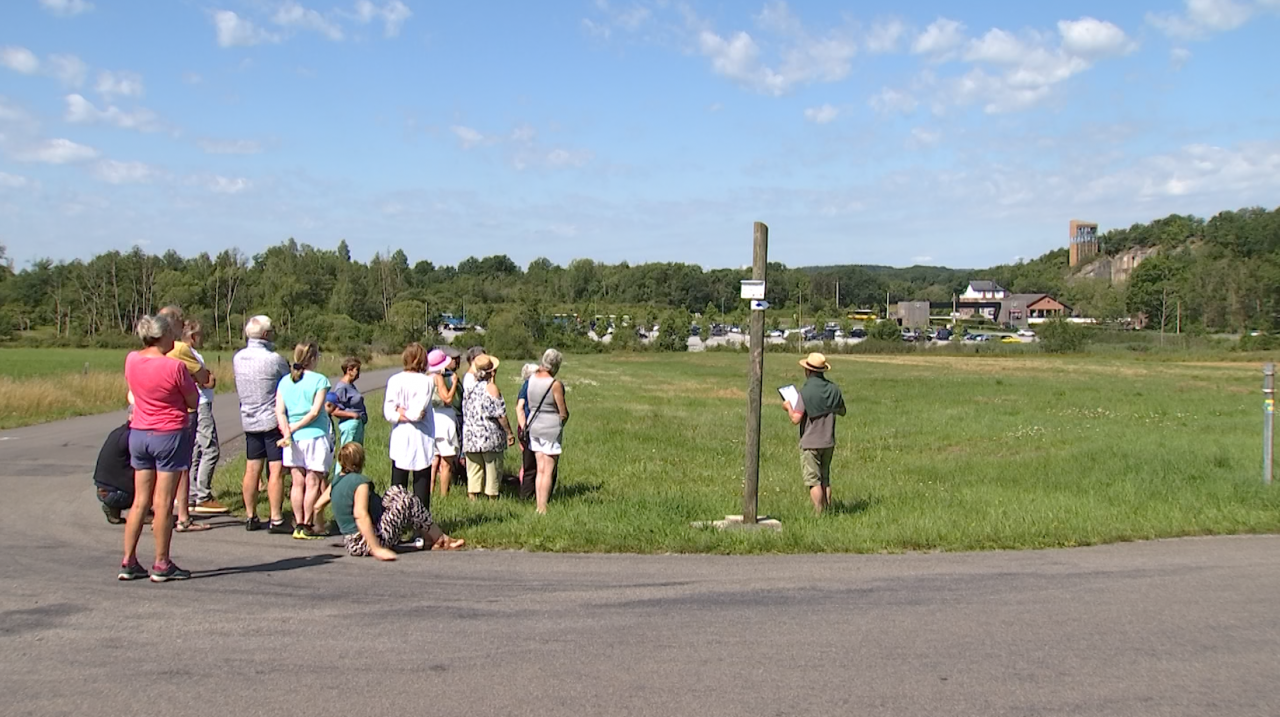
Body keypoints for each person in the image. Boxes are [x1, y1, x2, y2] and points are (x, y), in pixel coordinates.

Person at [119, 314, 198, 582]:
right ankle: (161, 562)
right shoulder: (174, 367)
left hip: (139, 432)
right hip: (168, 433)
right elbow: (193, 400)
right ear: (162, 336)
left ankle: (129, 559)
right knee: (163, 502)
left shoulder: (132, 360)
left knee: (139, 500)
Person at [315, 443, 464, 560]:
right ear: (361, 461)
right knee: (407, 501)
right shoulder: (360, 483)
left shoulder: (336, 481)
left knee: (396, 490)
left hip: (351, 541)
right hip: (364, 541)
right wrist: (376, 549)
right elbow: (360, 515)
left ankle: (431, 537)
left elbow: (317, 507)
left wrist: (319, 525)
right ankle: (440, 538)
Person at [233, 315, 292, 533]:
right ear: (266, 335)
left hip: (249, 418)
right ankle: (276, 517)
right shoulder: (274, 359)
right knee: (275, 470)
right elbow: (286, 381)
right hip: (271, 419)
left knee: (252, 468)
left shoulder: (238, 358)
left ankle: (251, 515)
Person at [157, 306, 212, 533]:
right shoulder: (179, 349)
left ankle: (159, 512)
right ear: (176, 325)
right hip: (181, 412)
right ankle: (182, 515)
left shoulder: (147, 351)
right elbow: (206, 378)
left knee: (157, 466)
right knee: (182, 465)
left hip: (154, 414)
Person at [275, 342, 333, 540]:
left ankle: (298, 522)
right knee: (313, 482)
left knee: (297, 483)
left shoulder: (285, 381)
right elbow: (316, 411)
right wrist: (295, 428)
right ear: (314, 358)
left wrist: (286, 431)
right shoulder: (320, 380)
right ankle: (307, 523)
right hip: (314, 435)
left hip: (292, 439)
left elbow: (280, 411)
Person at [783, 353, 846, 515]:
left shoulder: (805, 392)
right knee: (825, 478)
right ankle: (829, 509)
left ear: (808, 371)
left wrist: (788, 407)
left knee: (813, 481)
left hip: (810, 442)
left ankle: (819, 513)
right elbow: (842, 411)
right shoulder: (834, 389)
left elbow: (796, 418)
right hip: (828, 441)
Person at [384, 343, 440, 509]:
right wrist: (408, 414)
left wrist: (401, 412)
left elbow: (396, 413)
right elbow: (412, 414)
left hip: (409, 435)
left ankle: (406, 525)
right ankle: (415, 527)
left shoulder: (397, 380)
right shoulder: (425, 381)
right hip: (417, 437)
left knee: (403, 485)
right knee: (409, 486)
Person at [184, 320, 228, 515]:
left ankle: (192, 493)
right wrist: (208, 378)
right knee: (209, 448)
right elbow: (205, 380)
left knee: (195, 449)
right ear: (193, 336)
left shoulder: (188, 354)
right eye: (200, 335)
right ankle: (202, 494)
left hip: (198, 403)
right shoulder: (189, 355)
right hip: (200, 404)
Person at [461, 354, 515, 501]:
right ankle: (492, 498)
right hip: (489, 435)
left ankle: (473, 496)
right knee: (493, 469)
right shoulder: (491, 389)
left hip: (471, 435)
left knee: (473, 469)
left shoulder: (469, 387)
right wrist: (509, 433)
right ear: (491, 372)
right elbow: (500, 414)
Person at [523, 349, 570, 514]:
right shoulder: (554, 384)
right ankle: (542, 507)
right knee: (548, 470)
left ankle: (538, 504)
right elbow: (562, 411)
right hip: (550, 428)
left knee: (540, 468)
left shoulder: (531, 379)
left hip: (534, 427)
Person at [326, 357, 368, 481]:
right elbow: (333, 410)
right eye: (357, 370)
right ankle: (339, 480)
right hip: (350, 424)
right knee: (347, 454)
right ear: (349, 370)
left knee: (356, 455)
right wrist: (352, 415)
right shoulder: (342, 388)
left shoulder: (351, 386)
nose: (358, 374)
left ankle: (353, 480)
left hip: (357, 424)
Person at [429, 346, 462, 497]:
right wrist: (454, 383)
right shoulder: (439, 377)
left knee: (434, 460)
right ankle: (444, 495)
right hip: (444, 419)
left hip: (432, 418)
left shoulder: (427, 376)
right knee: (446, 462)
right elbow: (447, 398)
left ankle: (429, 491)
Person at [94, 421, 134, 525]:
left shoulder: (118, 432)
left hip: (103, 489)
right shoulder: (131, 437)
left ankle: (114, 509)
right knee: (149, 474)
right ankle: (143, 512)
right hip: (116, 493)